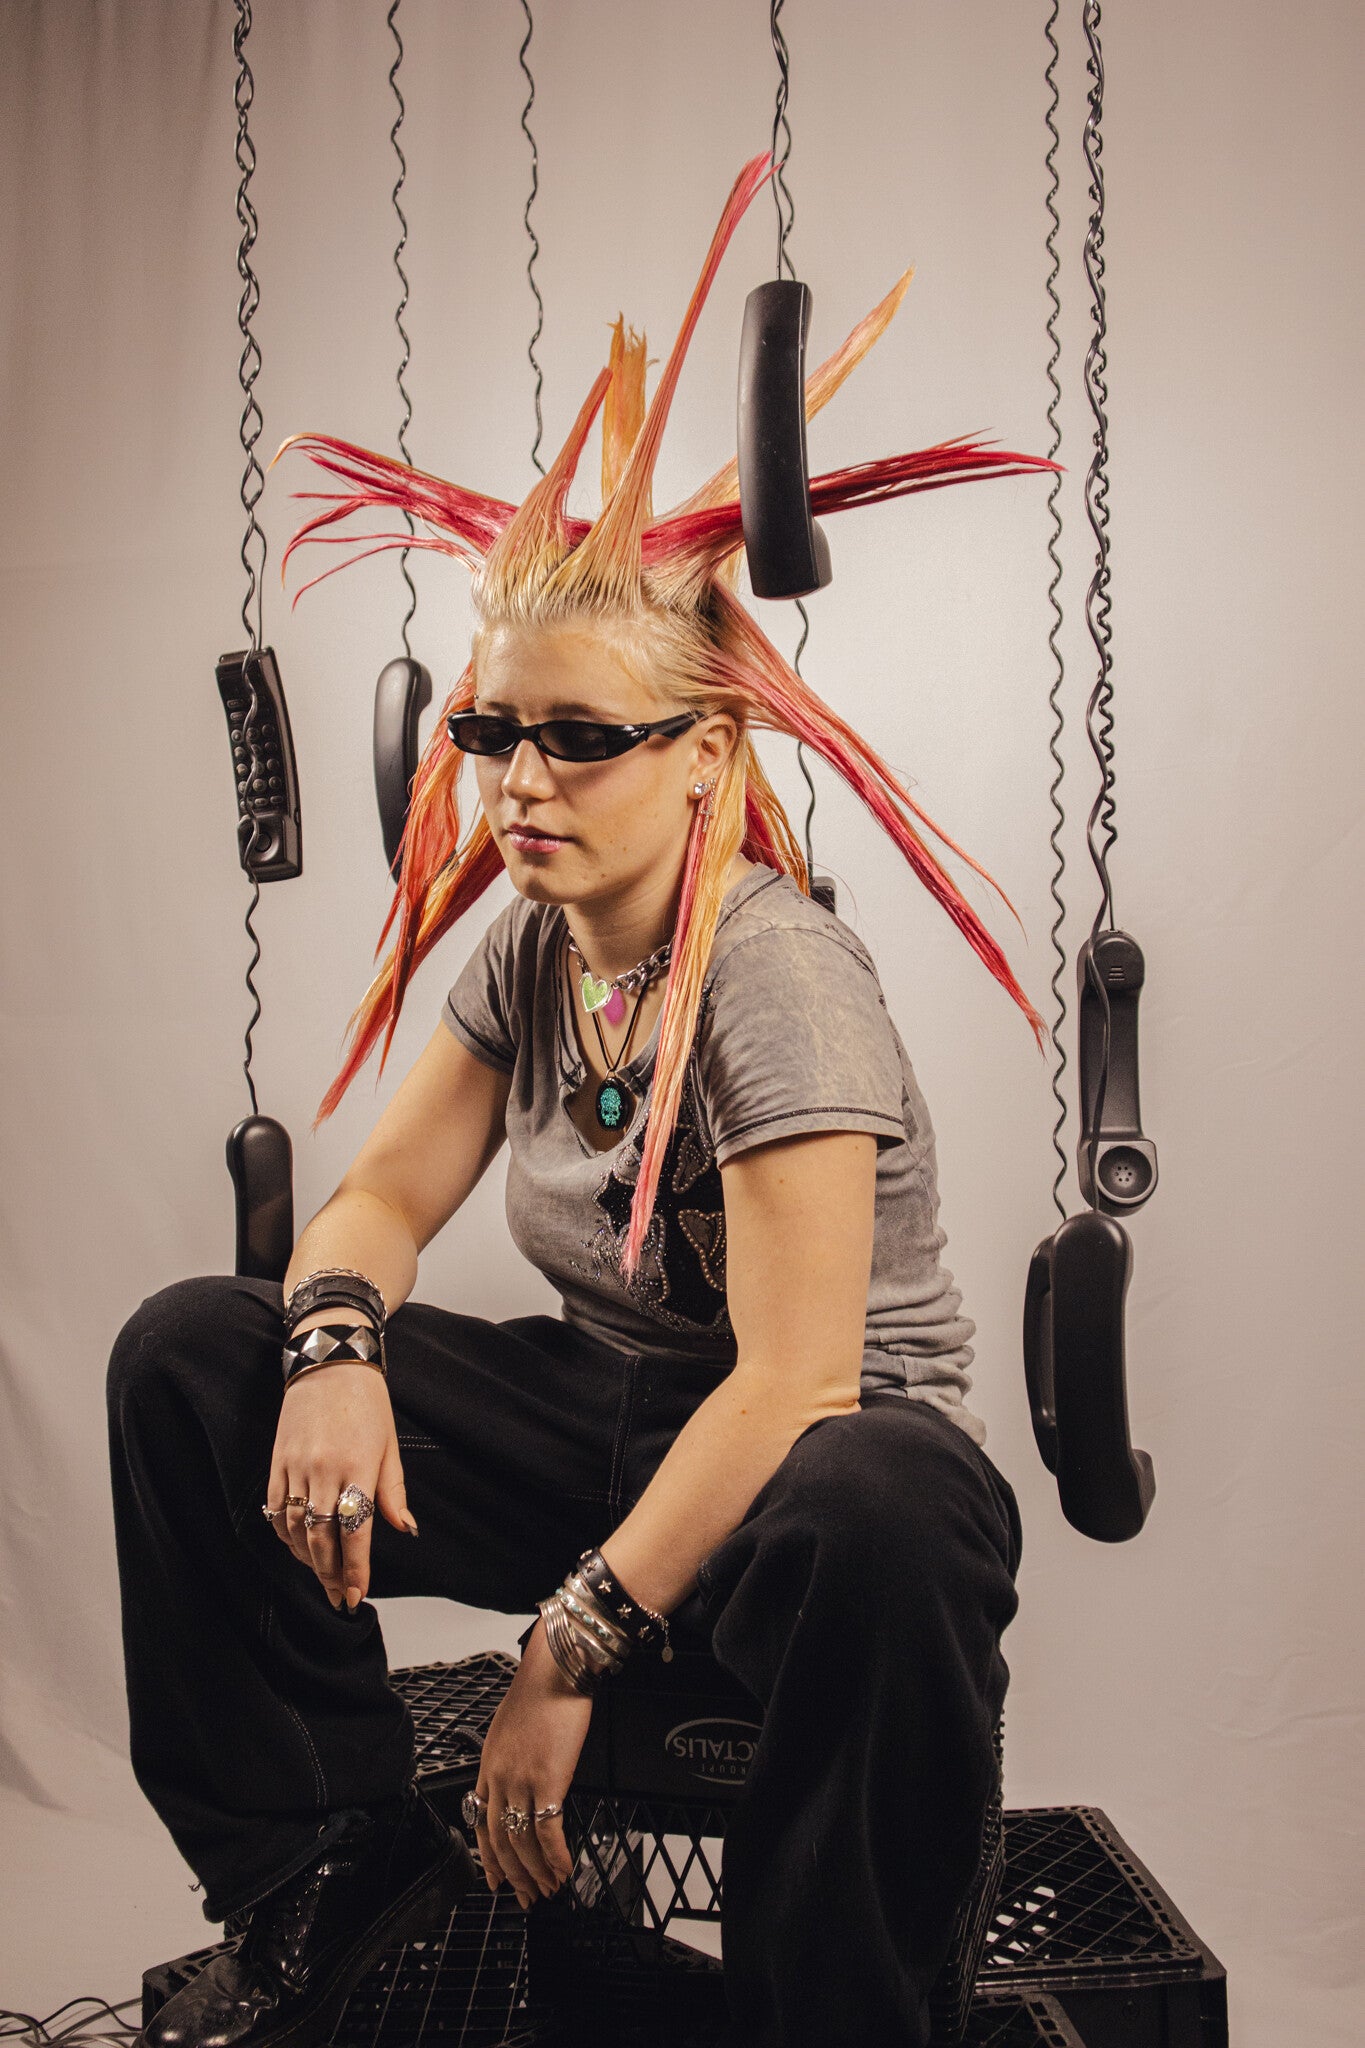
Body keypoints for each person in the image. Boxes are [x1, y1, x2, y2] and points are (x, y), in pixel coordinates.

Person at [108, 155, 1045, 2048]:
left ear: (705, 756)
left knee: (883, 1504)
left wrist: (565, 1651)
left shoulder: (773, 974)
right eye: (491, 731)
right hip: (607, 1427)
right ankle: (328, 1881)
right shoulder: (529, 950)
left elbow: (793, 1380)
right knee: (199, 1356)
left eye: (579, 738)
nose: (518, 781)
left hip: (812, 1481)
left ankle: (830, 2021)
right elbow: (377, 1200)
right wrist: (333, 1347)